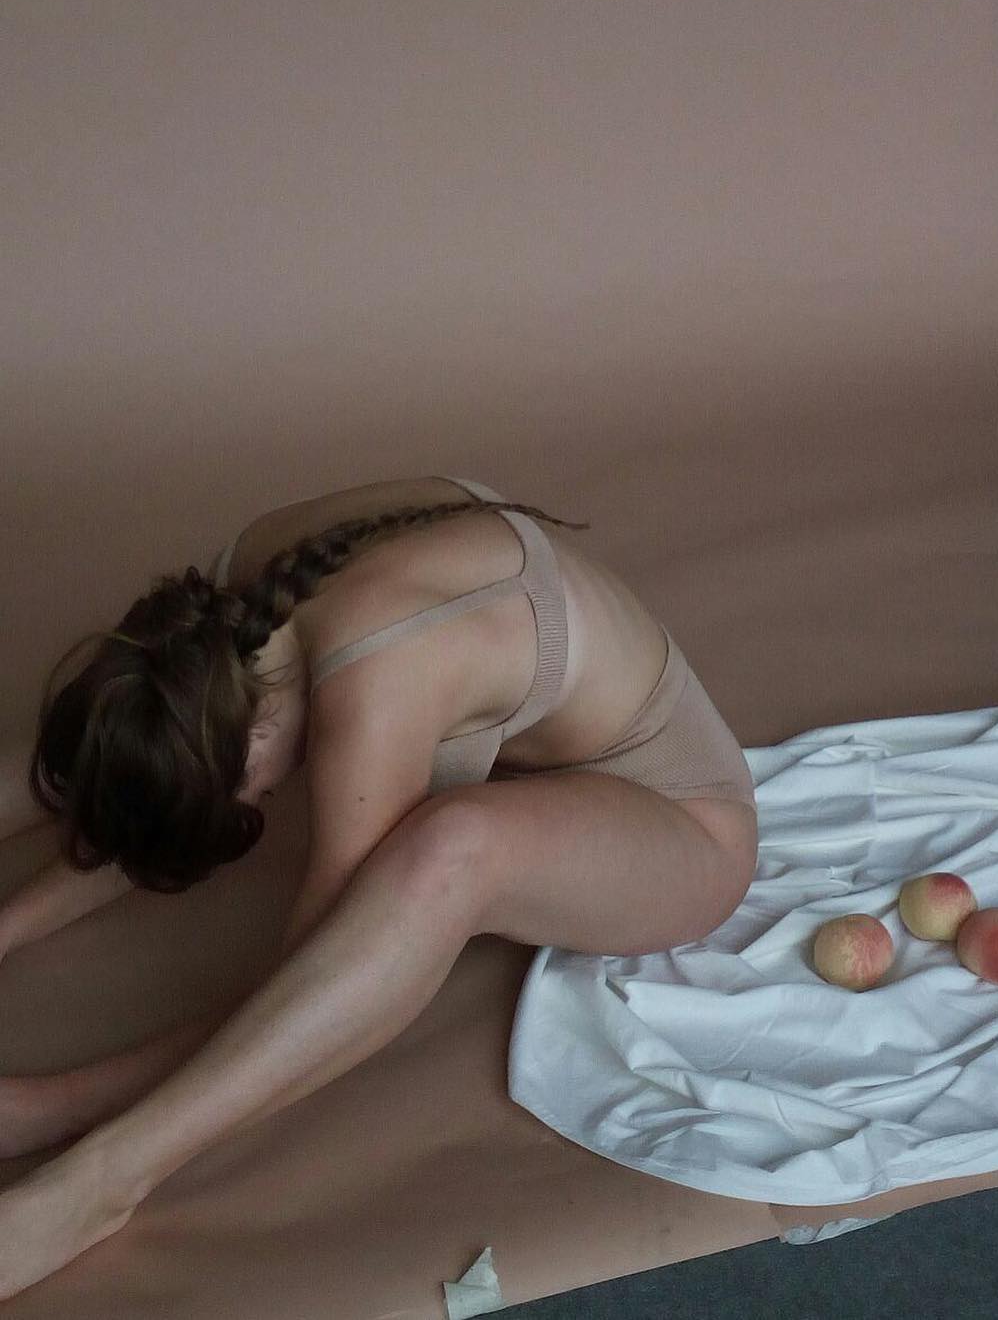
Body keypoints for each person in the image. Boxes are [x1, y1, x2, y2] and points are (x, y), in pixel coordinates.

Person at [0, 474, 758, 1298]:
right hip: (543, 768)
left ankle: (101, 1183)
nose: (263, 807)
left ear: (255, 737)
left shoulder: (376, 680)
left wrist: (55, 1105)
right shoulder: (238, 594)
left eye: (245, 801)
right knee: (124, 739)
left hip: (683, 829)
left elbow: (307, 1002)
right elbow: (129, 785)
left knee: (450, 851)